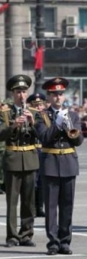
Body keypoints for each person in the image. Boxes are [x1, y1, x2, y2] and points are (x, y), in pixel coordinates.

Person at [35, 77, 84, 255]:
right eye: (54, 94)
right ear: (48, 96)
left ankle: (65, 241)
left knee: (67, 205)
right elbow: (45, 138)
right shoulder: (41, 116)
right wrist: (56, 125)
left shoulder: (73, 115)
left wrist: (69, 126)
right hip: (51, 164)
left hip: (69, 163)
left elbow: (78, 141)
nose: (58, 97)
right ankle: (53, 242)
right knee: (51, 206)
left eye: (61, 94)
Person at [0, 74, 39, 247]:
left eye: (24, 91)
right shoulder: (5, 113)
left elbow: (43, 136)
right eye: (18, 92)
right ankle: (12, 236)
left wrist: (32, 123)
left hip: (30, 159)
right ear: (13, 93)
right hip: (13, 159)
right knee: (12, 201)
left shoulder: (35, 112)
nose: (21, 95)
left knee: (29, 201)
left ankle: (26, 234)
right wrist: (13, 125)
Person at [27, 93, 47, 217]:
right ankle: (32, 207)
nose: (39, 107)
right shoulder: (29, 118)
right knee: (32, 182)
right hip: (33, 151)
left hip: (44, 151)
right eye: (36, 105)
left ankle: (40, 207)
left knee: (42, 182)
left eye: (40, 104)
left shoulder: (46, 117)